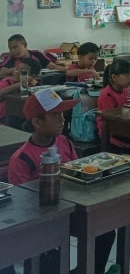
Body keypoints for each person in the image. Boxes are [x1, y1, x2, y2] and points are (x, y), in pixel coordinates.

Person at [6, 89, 116, 274]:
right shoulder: (21, 159)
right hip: (44, 220)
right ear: (37, 121)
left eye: (62, 114)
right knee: (49, 254)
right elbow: (22, 206)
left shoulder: (64, 142)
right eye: (55, 115)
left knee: (104, 231)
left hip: (73, 209)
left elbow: (76, 172)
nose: (62, 119)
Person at [97, 59, 130, 152]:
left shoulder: (124, 90)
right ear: (114, 77)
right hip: (110, 133)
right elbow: (109, 122)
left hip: (123, 127)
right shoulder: (107, 95)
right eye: (127, 75)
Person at [0, 34, 67, 77]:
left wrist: (67, 70)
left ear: (25, 45)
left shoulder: (37, 54)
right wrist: (17, 69)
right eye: (10, 48)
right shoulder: (11, 57)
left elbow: (52, 66)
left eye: (15, 47)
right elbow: (2, 73)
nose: (12, 51)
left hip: (39, 82)